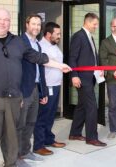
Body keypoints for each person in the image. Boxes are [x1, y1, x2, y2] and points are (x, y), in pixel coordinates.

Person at [0, 8, 71, 167]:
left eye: (6, 20)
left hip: (14, 98)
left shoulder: (17, 41)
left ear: (10, 22)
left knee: (11, 136)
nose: (3, 23)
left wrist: (59, 65)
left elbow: (37, 57)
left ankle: (11, 163)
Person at [68, 13, 106, 147]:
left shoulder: (90, 37)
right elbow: (72, 58)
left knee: (82, 107)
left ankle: (74, 133)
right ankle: (91, 138)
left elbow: (91, 58)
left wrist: (98, 68)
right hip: (82, 78)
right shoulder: (78, 36)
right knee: (91, 108)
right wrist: (74, 75)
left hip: (91, 77)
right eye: (94, 24)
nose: (96, 27)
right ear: (87, 22)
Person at [16, 14, 47, 167]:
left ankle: (25, 151)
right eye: (33, 24)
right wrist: (18, 94)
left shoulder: (38, 44)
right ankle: (15, 157)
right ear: (27, 24)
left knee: (30, 123)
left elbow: (40, 70)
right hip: (23, 90)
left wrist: (44, 92)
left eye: (38, 24)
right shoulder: (20, 42)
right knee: (19, 124)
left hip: (35, 89)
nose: (36, 27)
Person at [33, 22, 66, 156]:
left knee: (51, 115)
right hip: (47, 87)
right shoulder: (41, 47)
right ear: (48, 34)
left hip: (56, 85)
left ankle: (48, 139)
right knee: (43, 116)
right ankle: (38, 145)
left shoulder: (54, 46)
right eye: (57, 34)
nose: (59, 36)